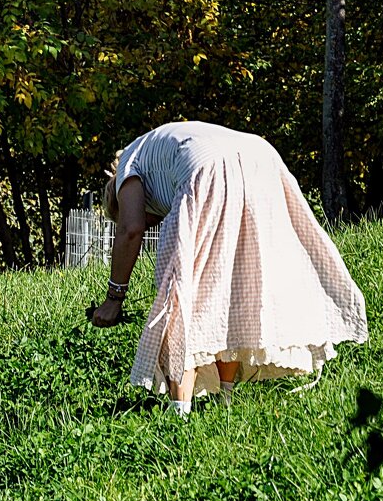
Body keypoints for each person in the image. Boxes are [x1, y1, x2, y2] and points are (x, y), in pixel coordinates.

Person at [93, 120, 368, 417]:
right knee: (232, 287)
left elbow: (130, 230)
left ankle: (178, 415)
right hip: (262, 158)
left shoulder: (128, 168)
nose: (152, 224)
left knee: (184, 298)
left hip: (207, 165)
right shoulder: (153, 148)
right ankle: (225, 403)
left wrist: (114, 299)